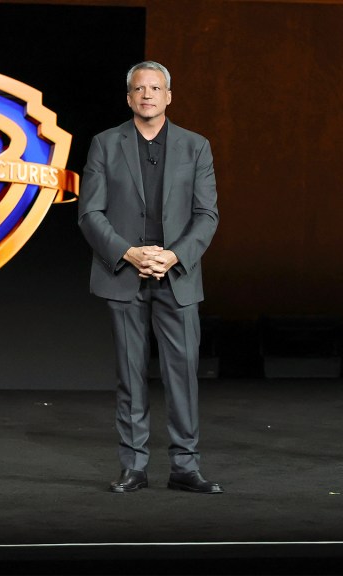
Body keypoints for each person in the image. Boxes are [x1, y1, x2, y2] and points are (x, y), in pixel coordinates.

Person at [78, 61, 222, 494]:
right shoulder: (105, 144)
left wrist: (174, 256)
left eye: (155, 88)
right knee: (130, 375)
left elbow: (207, 214)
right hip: (124, 274)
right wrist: (129, 252)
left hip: (176, 276)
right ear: (129, 98)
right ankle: (134, 466)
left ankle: (185, 467)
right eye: (139, 89)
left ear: (168, 96)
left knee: (183, 374)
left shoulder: (196, 146)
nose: (147, 95)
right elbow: (89, 213)